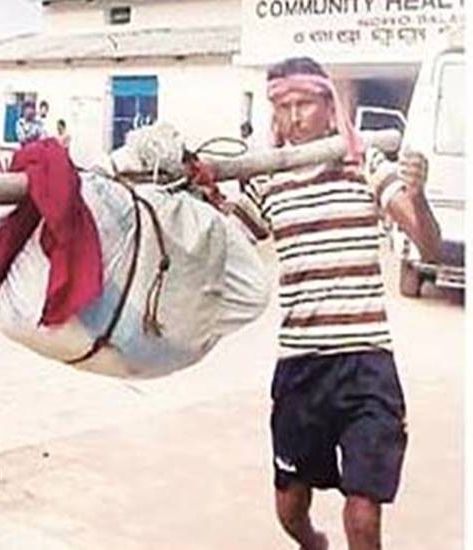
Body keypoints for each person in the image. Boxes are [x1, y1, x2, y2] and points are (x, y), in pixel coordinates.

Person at [189, 57, 442, 550]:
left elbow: (428, 248)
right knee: (290, 511)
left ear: (330, 107)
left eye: (304, 104)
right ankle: (315, 544)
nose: (295, 117)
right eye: (283, 107)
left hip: (366, 364)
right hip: (301, 366)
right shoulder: (267, 181)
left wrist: (419, 196)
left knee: (363, 517)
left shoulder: (365, 163)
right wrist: (204, 198)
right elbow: (226, 243)